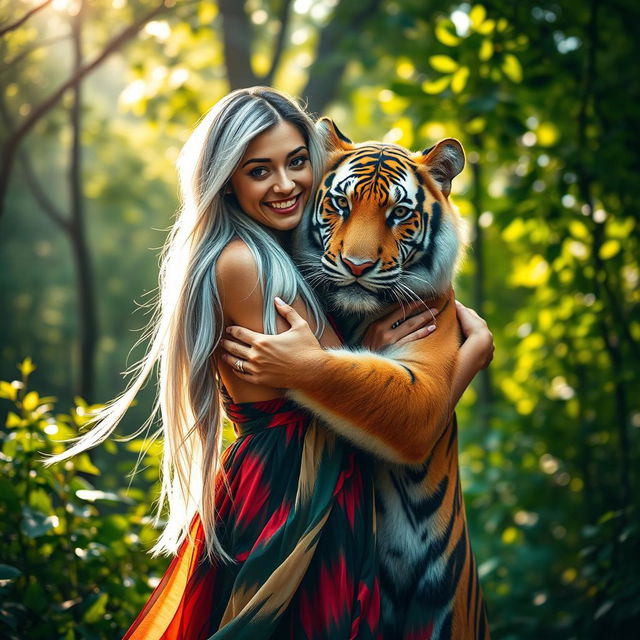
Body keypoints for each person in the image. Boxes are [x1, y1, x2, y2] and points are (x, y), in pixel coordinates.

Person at [45, 86, 493, 639]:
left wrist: (350, 360)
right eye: (259, 170)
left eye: (298, 162)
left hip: (326, 493)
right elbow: (403, 424)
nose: (285, 185)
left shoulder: (290, 257)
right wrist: (468, 357)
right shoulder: (246, 265)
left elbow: (356, 382)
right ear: (227, 178)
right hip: (289, 498)